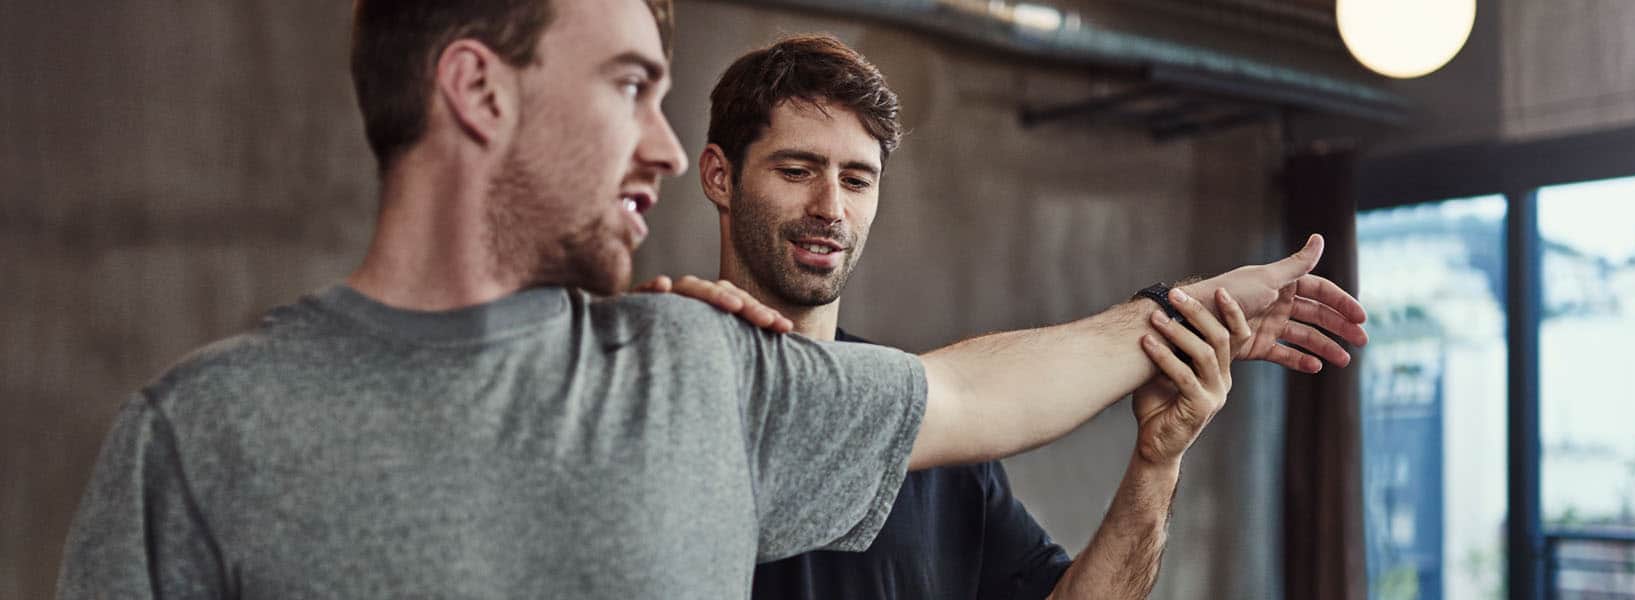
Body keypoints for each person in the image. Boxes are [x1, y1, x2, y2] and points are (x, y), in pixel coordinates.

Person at [56, 1, 1368, 598]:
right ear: (479, 89)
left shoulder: (699, 369)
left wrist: (1190, 320)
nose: (663, 146)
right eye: (630, 85)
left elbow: (979, 387)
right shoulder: (200, 439)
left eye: (860, 178)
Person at [686, 34, 1227, 599]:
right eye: (797, 170)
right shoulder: (667, 389)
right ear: (720, 177)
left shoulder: (930, 427)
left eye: (856, 180)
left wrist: (1156, 464)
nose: (831, 209)